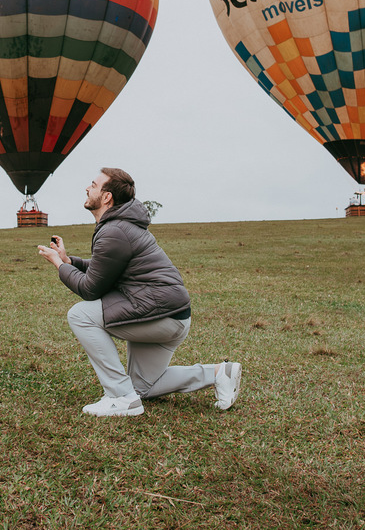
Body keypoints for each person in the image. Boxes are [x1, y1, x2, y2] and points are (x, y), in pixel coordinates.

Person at [36, 168, 243, 417]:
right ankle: (219, 373)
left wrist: (59, 266)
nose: (87, 188)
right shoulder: (120, 227)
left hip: (159, 315)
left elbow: (90, 289)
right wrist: (69, 260)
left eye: (93, 184)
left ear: (106, 198)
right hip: (171, 315)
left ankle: (121, 398)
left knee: (80, 315)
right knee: (143, 387)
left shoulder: (114, 231)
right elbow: (105, 270)